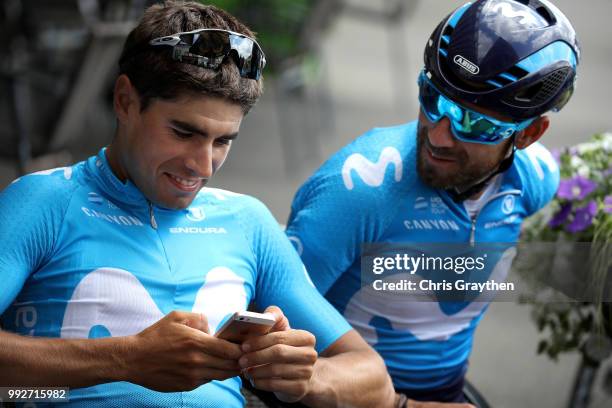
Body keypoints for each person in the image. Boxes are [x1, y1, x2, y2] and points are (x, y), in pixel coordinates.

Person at [0, 2, 397, 407]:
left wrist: (306, 376)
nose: (203, 165)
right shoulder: (42, 202)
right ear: (124, 101)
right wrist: (124, 360)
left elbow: (373, 380)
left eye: (223, 141)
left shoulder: (247, 221)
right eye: (183, 132)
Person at [285, 0, 580, 406]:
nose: (439, 136)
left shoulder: (533, 179)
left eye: (474, 122)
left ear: (529, 134)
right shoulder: (359, 189)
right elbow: (268, 327)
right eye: (433, 98)